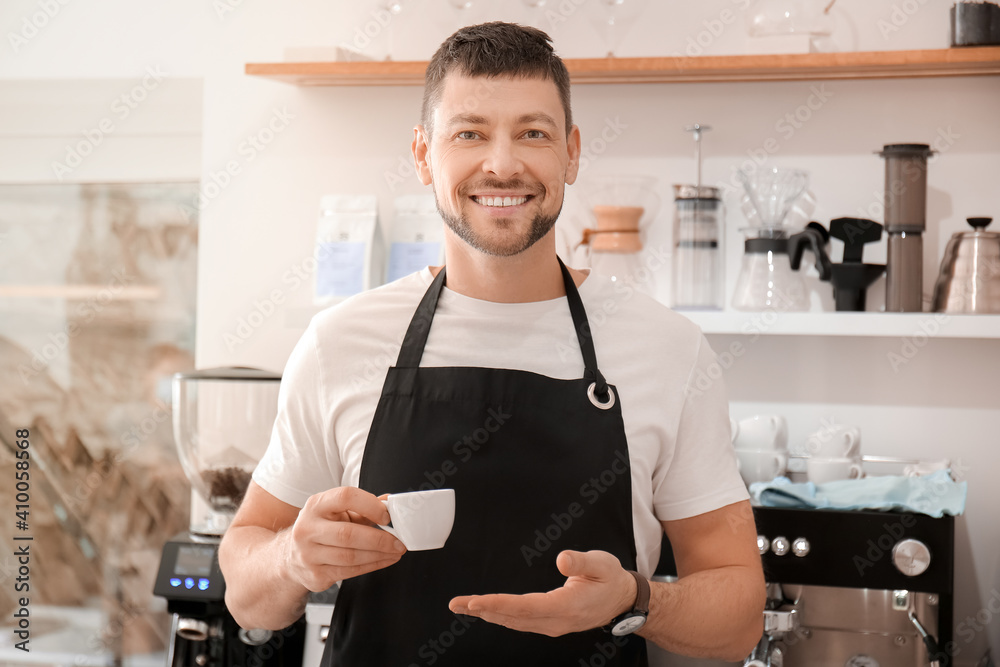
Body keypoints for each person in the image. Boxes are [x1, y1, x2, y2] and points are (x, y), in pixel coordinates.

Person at [219, 21, 764, 666]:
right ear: (424, 155)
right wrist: (290, 557)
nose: (502, 164)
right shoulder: (339, 343)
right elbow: (247, 593)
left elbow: (739, 618)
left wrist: (636, 600)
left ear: (572, 151)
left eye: (532, 133)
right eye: (469, 133)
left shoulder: (669, 349)